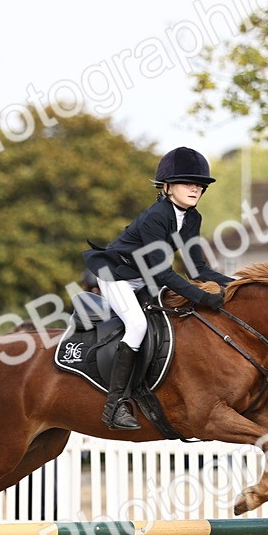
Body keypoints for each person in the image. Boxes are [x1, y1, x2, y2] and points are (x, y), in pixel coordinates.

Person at [82, 146, 233, 430]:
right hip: (117, 276)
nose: (196, 188)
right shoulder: (156, 216)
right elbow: (163, 272)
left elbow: (198, 269)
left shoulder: (192, 218)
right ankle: (114, 406)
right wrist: (203, 297)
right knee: (137, 326)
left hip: (146, 277)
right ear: (166, 187)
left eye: (200, 184)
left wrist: (240, 285)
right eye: (187, 182)